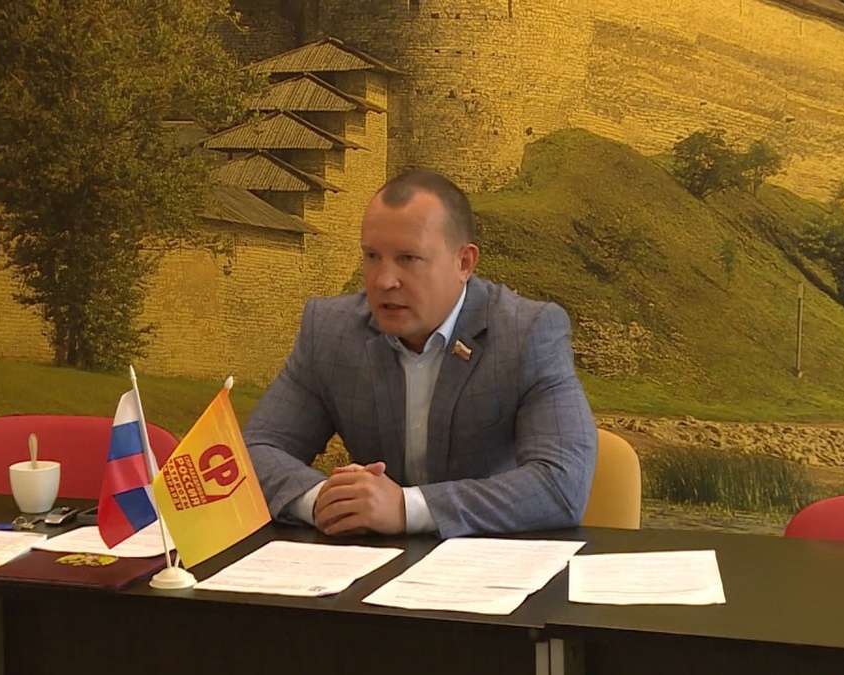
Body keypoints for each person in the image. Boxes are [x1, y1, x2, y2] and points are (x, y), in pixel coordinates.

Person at [243, 169, 598, 538]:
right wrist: (325, 501)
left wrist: (406, 508)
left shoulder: (527, 333)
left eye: (408, 258)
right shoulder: (330, 331)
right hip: (369, 565)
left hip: (489, 560)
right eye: (372, 256)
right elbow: (253, 450)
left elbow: (562, 484)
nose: (384, 280)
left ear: (464, 263)